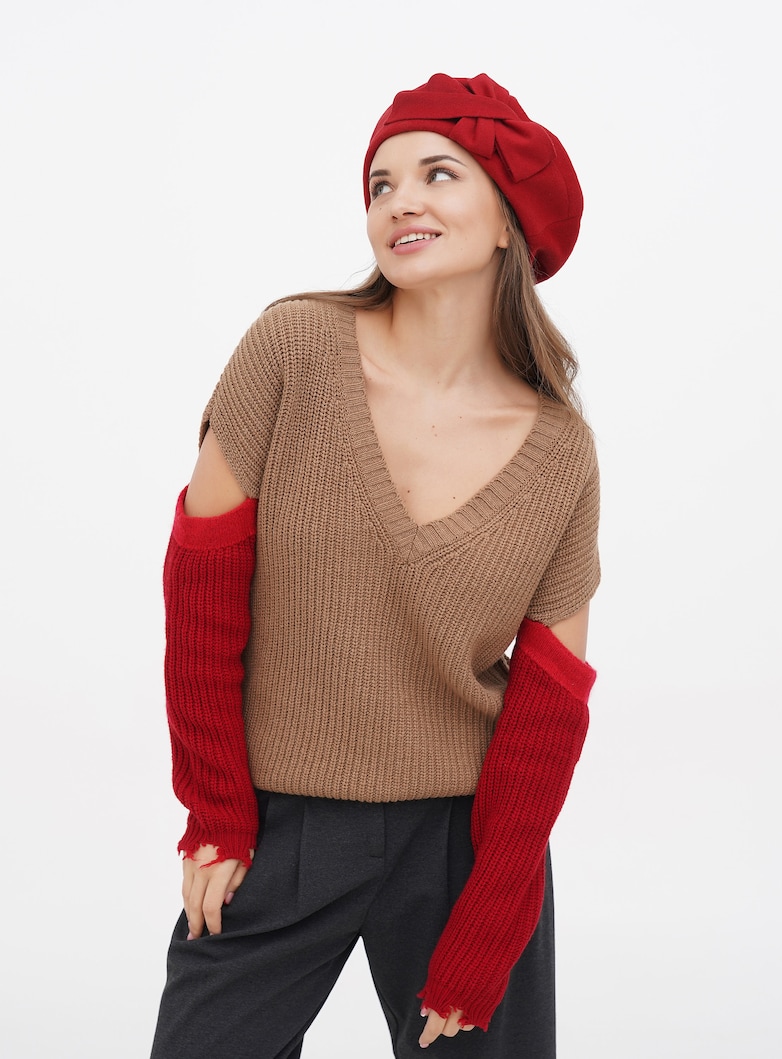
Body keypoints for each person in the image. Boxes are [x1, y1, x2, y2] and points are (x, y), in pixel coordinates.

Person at [150, 72, 600, 1059]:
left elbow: (545, 707)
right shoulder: (292, 350)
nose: (399, 199)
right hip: (278, 827)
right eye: (379, 183)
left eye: (437, 174)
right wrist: (217, 812)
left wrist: (490, 923)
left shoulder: (558, 448)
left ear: (504, 223)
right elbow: (203, 593)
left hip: (462, 849)